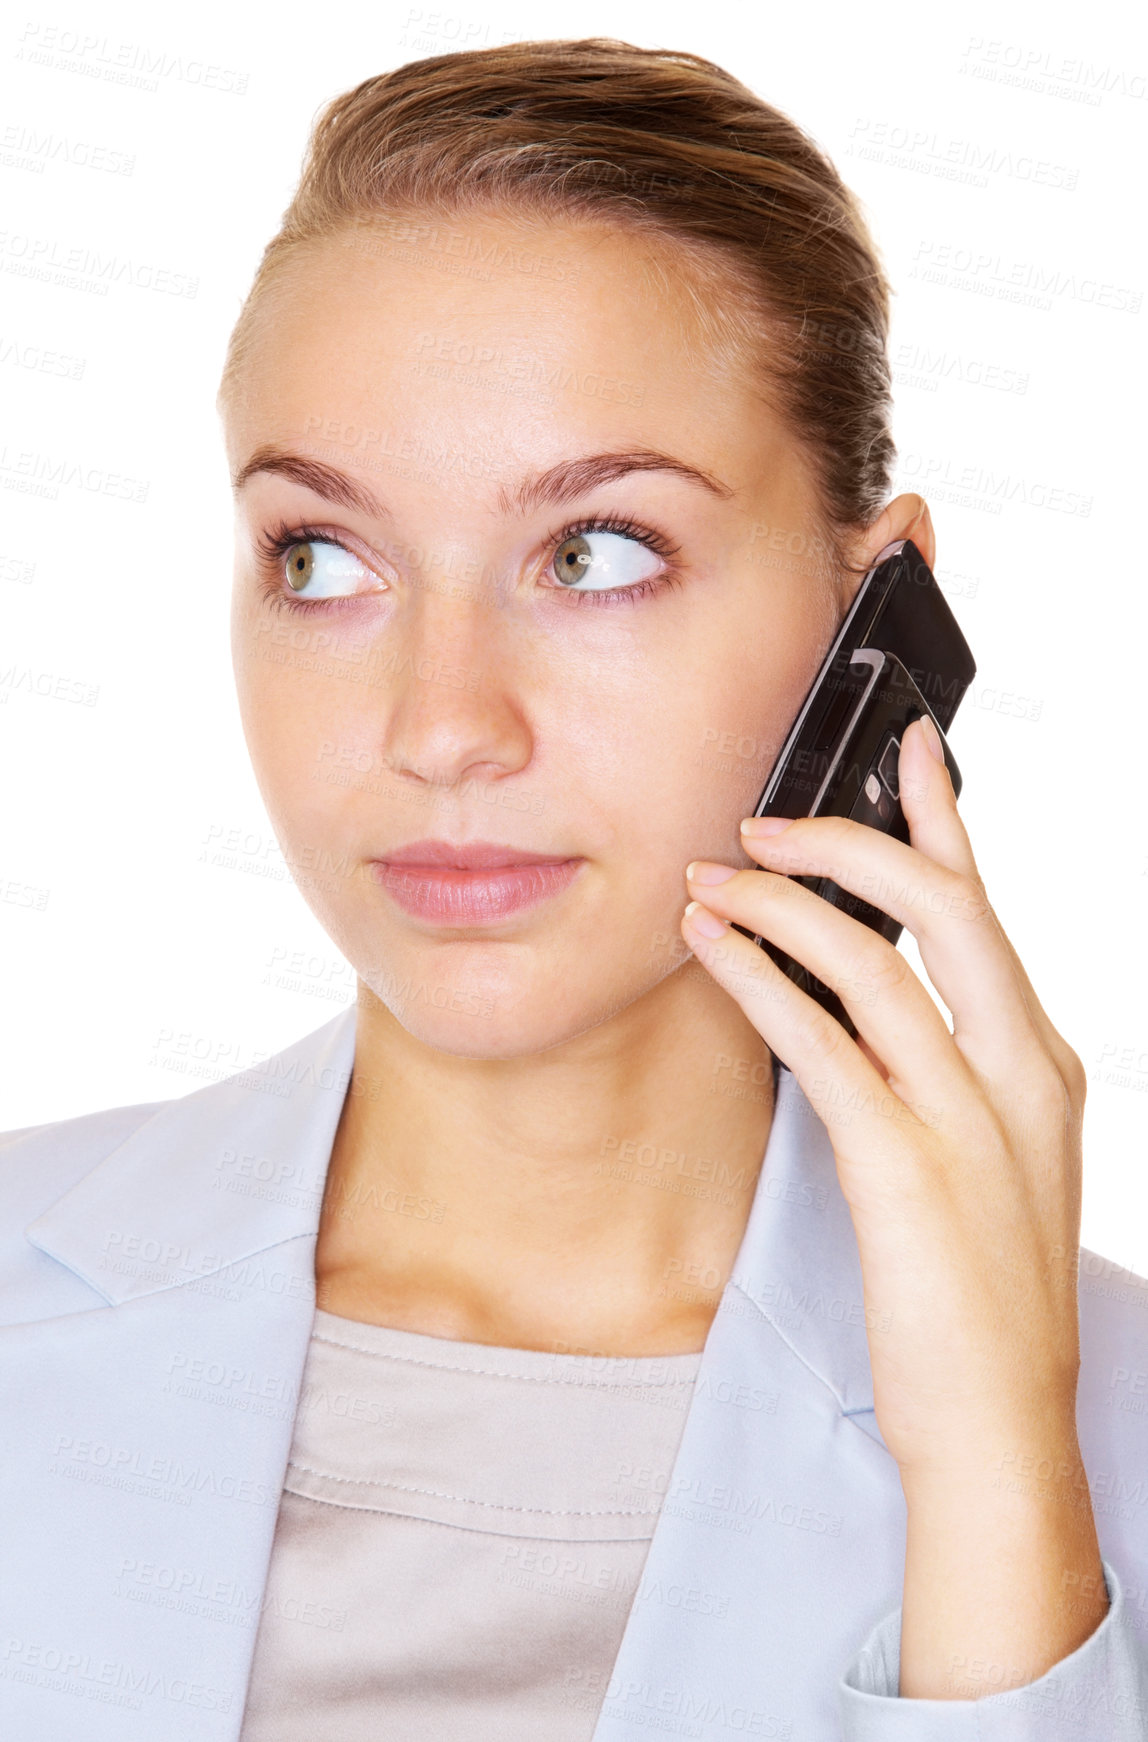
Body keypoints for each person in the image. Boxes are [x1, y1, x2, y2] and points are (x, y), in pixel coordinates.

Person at [2, 36, 1146, 1742]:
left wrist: (999, 1486)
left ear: (872, 619)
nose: (442, 726)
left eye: (597, 551)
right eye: (323, 559)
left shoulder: (1096, 1429)